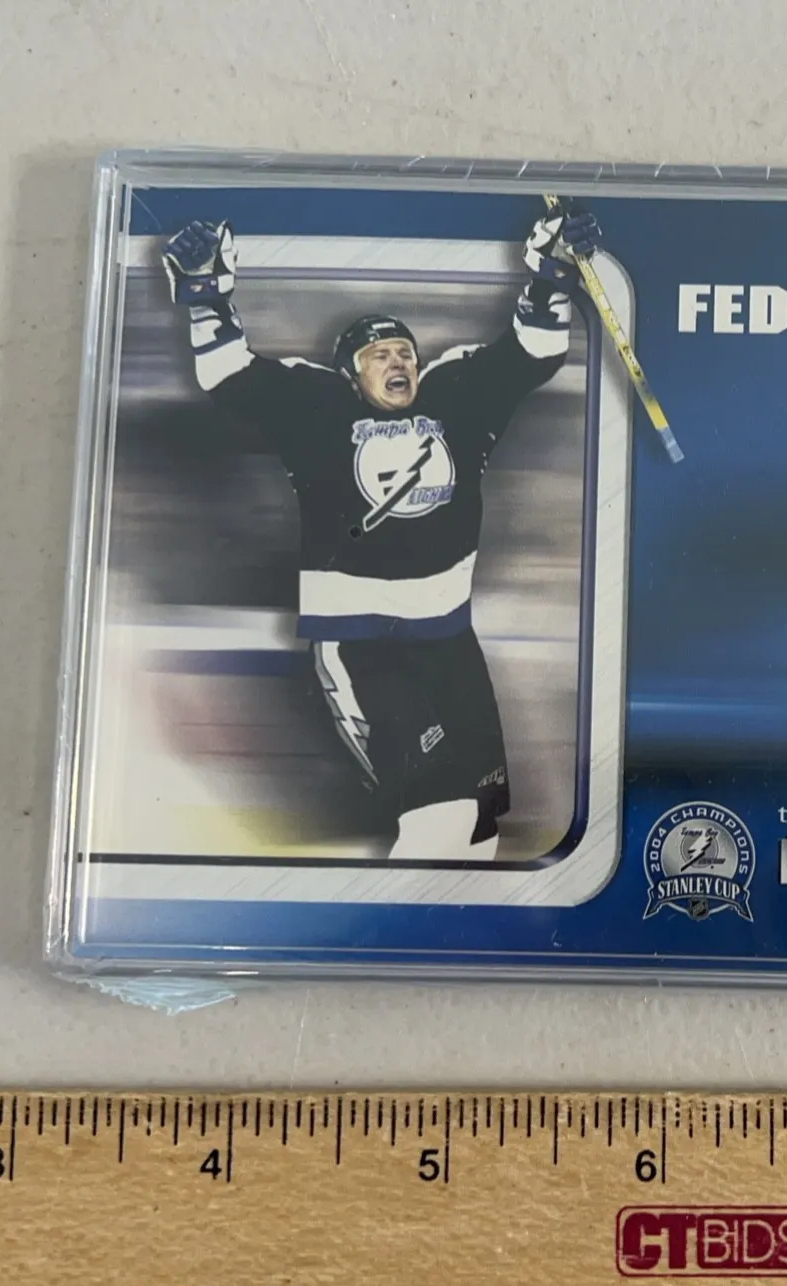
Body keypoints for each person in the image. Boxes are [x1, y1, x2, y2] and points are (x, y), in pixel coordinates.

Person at [159, 201, 601, 860]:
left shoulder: (456, 396)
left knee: (479, 827)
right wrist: (204, 295)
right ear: (351, 371)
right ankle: (403, 924)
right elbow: (227, 373)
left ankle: (451, 925)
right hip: (366, 648)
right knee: (437, 821)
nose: (399, 362)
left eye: (405, 353)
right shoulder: (317, 407)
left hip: (451, 641)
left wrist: (551, 273)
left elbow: (532, 352)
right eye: (379, 354)